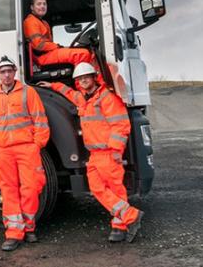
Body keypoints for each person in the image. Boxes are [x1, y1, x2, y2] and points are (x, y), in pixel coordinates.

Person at [38, 62, 143, 243]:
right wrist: (52, 85)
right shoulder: (84, 98)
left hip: (109, 153)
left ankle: (120, 227)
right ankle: (131, 216)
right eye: (79, 79)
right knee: (96, 188)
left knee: (115, 190)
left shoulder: (107, 98)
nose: (83, 81)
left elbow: (121, 125)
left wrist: (117, 150)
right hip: (95, 155)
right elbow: (69, 93)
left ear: (94, 78)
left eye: (86, 77)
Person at [0, 56, 50, 251]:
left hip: (26, 147)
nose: (6, 75)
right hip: (2, 150)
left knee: (32, 186)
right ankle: (13, 232)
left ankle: (29, 228)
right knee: (7, 189)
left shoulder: (28, 93)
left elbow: (40, 120)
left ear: (14, 71)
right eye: (2, 72)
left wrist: (37, 144)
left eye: (9, 71)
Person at [23, 0, 94, 68]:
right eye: (39, 4)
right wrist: (57, 46)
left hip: (49, 53)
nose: (42, 6)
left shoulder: (44, 23)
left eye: (44, 4)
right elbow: (38, 45)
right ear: (32, 7)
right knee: (83, 54)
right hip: (42, 57)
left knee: (84, 51)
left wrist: (59, 47)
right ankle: (83, 79)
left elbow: (48, 43)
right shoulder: (30, 21)